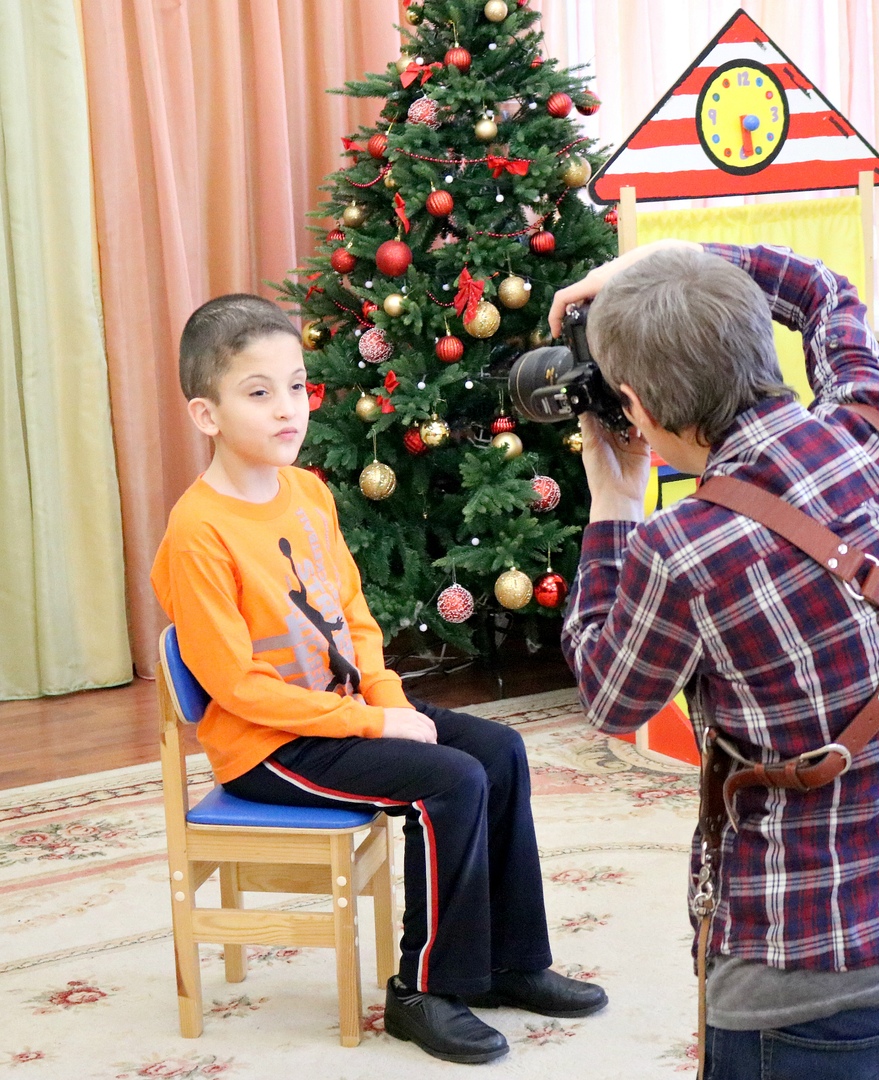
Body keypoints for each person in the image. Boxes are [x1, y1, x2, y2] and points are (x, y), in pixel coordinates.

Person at [552, 242, 879, 1079]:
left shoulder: (681, 547)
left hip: (808, 992)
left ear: (634, 403)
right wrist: (672, 262)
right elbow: (824, 290)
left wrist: (614, 506)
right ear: (760, 341)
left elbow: (610, 699)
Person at [150, 294, 606, 1065]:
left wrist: (387, 701)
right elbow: (236, 689)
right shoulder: (198, 534)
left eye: (296, 385)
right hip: (271, 745)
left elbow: (353, 616)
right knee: (449, 782)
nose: (287, 408)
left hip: (342, 710)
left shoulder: (308, 493)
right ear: (207, 414)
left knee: (499, 753)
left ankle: (509, 962)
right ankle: (421, 990)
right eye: (258, 393)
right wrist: (372, 724)